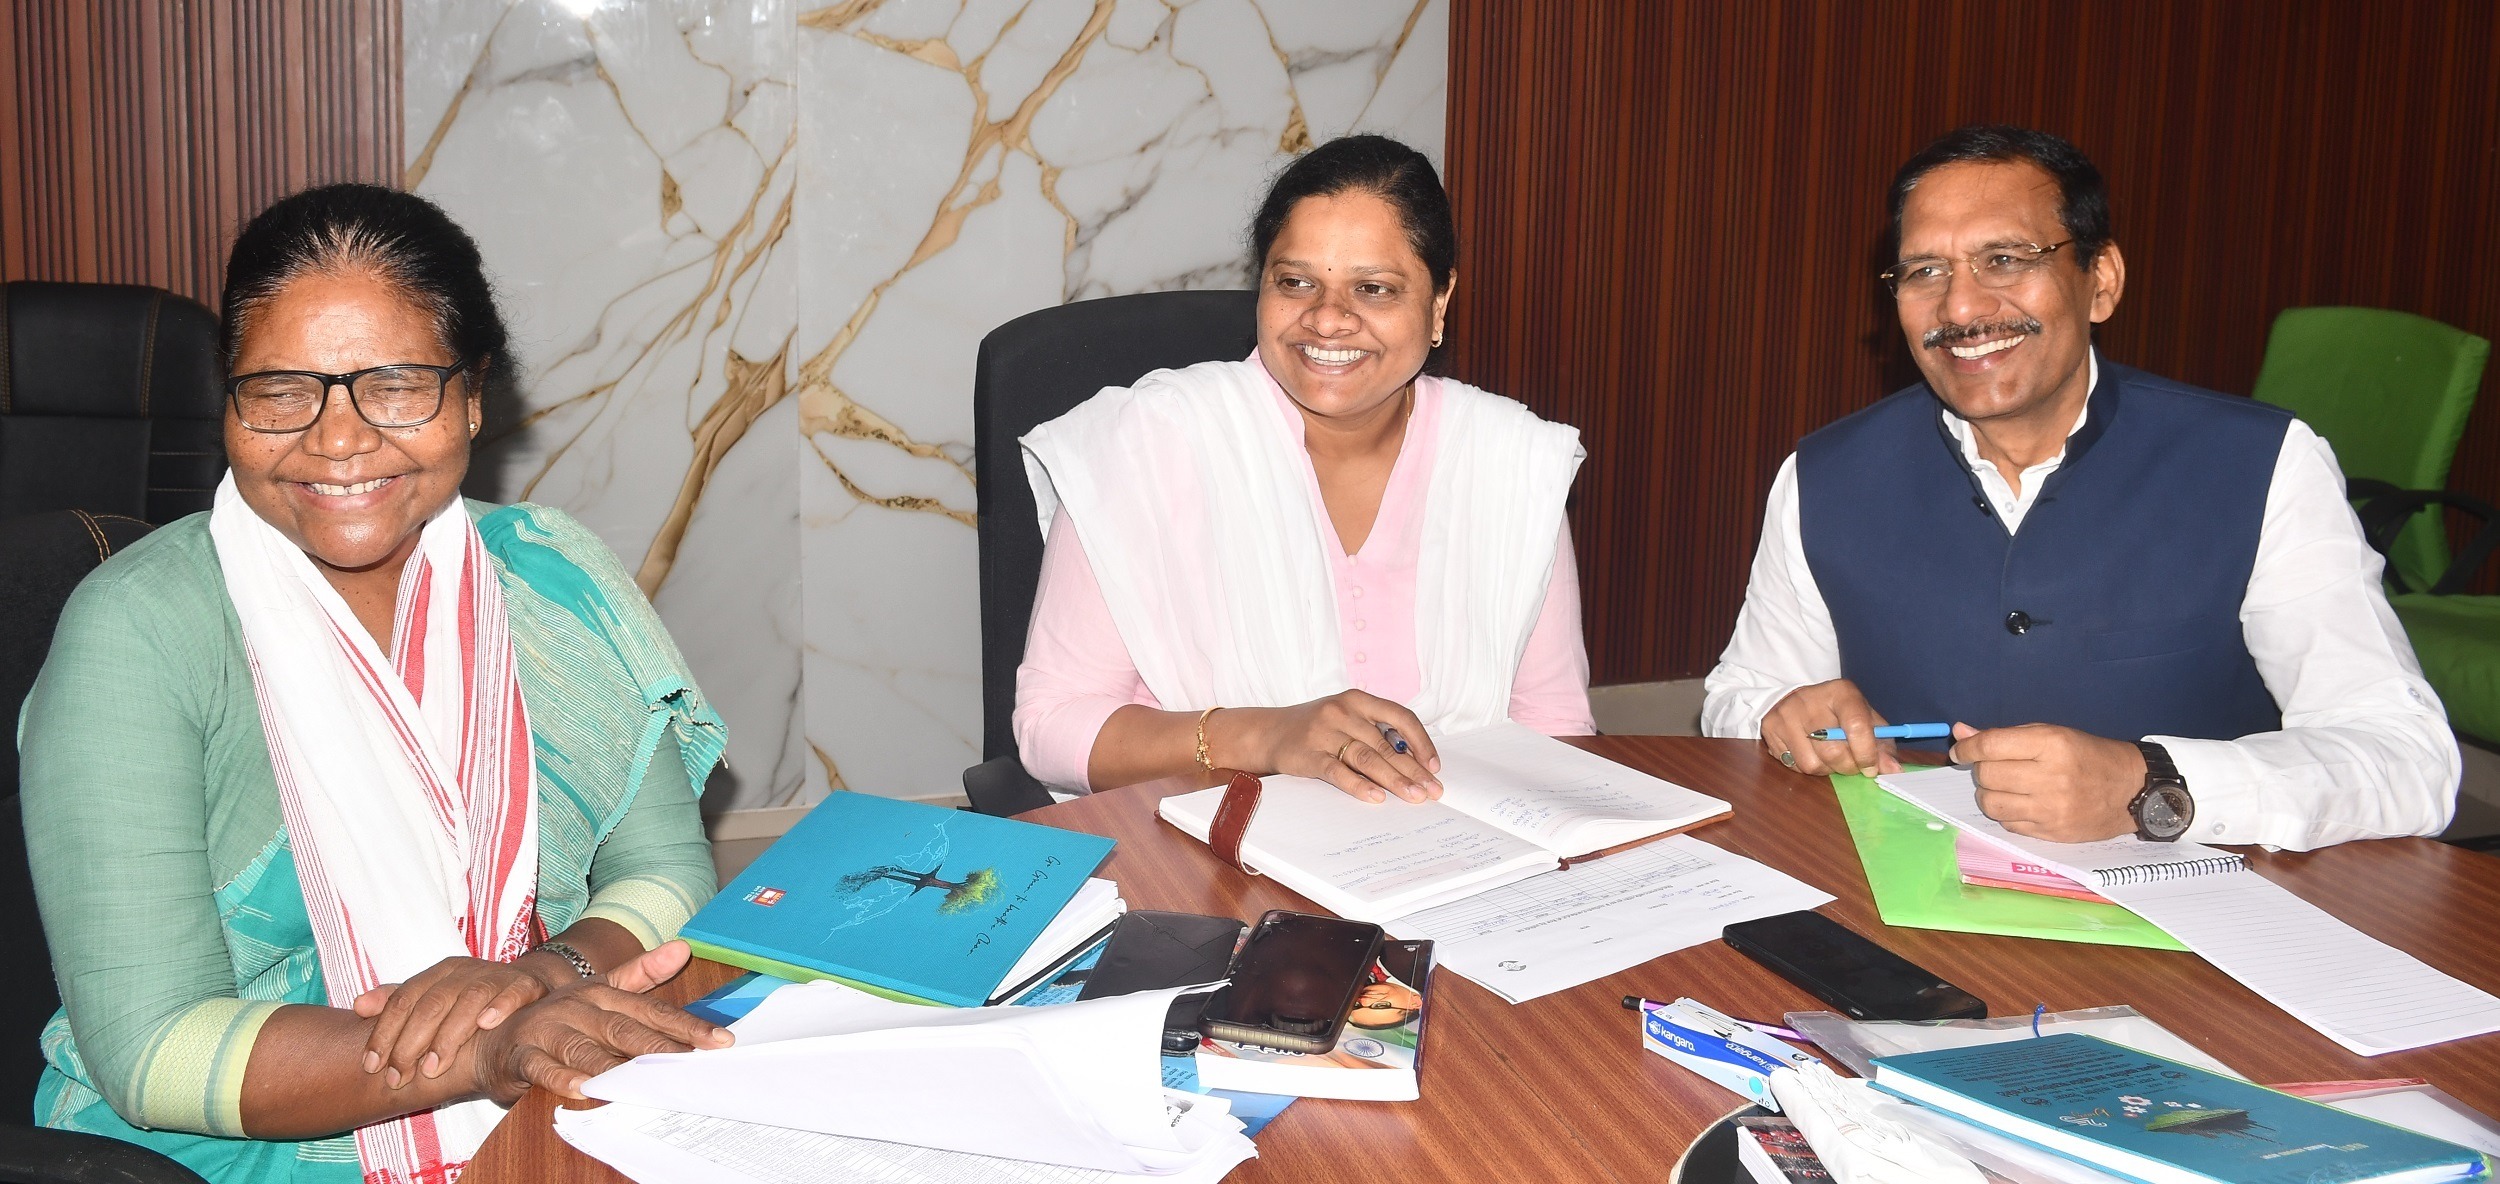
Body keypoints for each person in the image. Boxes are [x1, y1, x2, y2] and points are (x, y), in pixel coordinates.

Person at [17, 184, 733, 1183]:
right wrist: (481, 1050)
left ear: (472, 394)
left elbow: (667, 870)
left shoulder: (552, 575)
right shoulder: (140, 628)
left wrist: (536, 978)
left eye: (395, 386)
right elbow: (153, 1051)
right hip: (224, 1146)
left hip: (543, 1063)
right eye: (280, 389)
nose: (338, 439)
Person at [1702, 125, 2458, 851]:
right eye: (1925, 271)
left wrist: (2152, 785)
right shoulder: (1825, 474)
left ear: (2101, 282)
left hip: (2189, 906)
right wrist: (1779, 713)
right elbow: (1742, 695)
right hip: (1899, 889)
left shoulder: (2262, 465)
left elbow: (2408, 760)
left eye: (2005, 259)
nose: (1960, 308)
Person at [1014, 134, 1595, 802]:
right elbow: (1050, 727)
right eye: (1296, 282)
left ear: (1439, 303)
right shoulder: (1146, 444)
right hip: (1201, 840)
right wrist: (1265, 737)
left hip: (1454, 845)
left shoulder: (1510, 462)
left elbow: (1555, 728)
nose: (1326, 319)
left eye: (1372, 289)